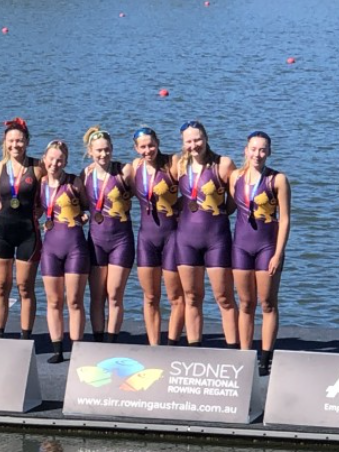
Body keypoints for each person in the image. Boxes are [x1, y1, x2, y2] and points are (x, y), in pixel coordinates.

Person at [230, 131, 290, 374]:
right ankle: (245, 357)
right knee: (245, 303)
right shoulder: (235, 177)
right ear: (246, 150)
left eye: (263, 149)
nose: (257, 154)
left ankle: (266, 358)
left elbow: (285, 220)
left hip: (267, 247)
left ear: (269, 152)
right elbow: (227, 207)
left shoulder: (277, 180)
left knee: (267, 303)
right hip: (241, 247)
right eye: (253, 149)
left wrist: (278, 253)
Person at [176, 121, 239, 347]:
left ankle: (235, 351)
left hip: (216, 239)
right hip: (185, 240)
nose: (194, 145)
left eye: (198, 140)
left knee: (224, 298)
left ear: (206, 138)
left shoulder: (223, 164)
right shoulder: (178, 165)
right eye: (189, 141)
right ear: (183, 143)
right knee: (192, 298)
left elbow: (233, 203)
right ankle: (195, 348)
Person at [131, 127, 185, 346]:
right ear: (136, 149)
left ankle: (171, 344)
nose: (148, 150)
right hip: (147, 238)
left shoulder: (172, 163)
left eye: (151, 145)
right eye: (142, 147)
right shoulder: (135, 167)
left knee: (175, 297)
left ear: (158, 142)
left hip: (171, 236)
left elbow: (195, 189)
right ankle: (154, 346)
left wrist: (182, 207)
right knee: (151, 297)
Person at [0, 117, 42, 339]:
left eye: (19, 141)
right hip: (2, 231)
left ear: (27, 141)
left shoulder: (38, 169)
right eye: (11, 141)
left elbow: (46, 201)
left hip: (27, 233)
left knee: (24, 287)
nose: (15, 145)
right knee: (1, 286)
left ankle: (25, 336)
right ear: (5, 142)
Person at [82, 127, 134, 343]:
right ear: (90, 151)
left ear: (112, 149)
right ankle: (97, 340)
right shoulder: (86, 174)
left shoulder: (125, 171)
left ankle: (111, 340)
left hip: (121, 241)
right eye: (99, 151)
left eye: (107, 150)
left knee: (114, 294)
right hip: (96, 241)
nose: (103, 155)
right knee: (96, 296)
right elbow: (81, 205)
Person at [39, 140, 89, 363]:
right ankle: (57, 349)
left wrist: (86, 216)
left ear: (65, 161)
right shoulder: (40, 183)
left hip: (75, 247)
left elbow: (88, 205)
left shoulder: (74, 182)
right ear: (44, 159)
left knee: (75, 301)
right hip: (50, 247)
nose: (55, 163)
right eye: (52, 158)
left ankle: (77, 348)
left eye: (60, 159)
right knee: (53, 301)